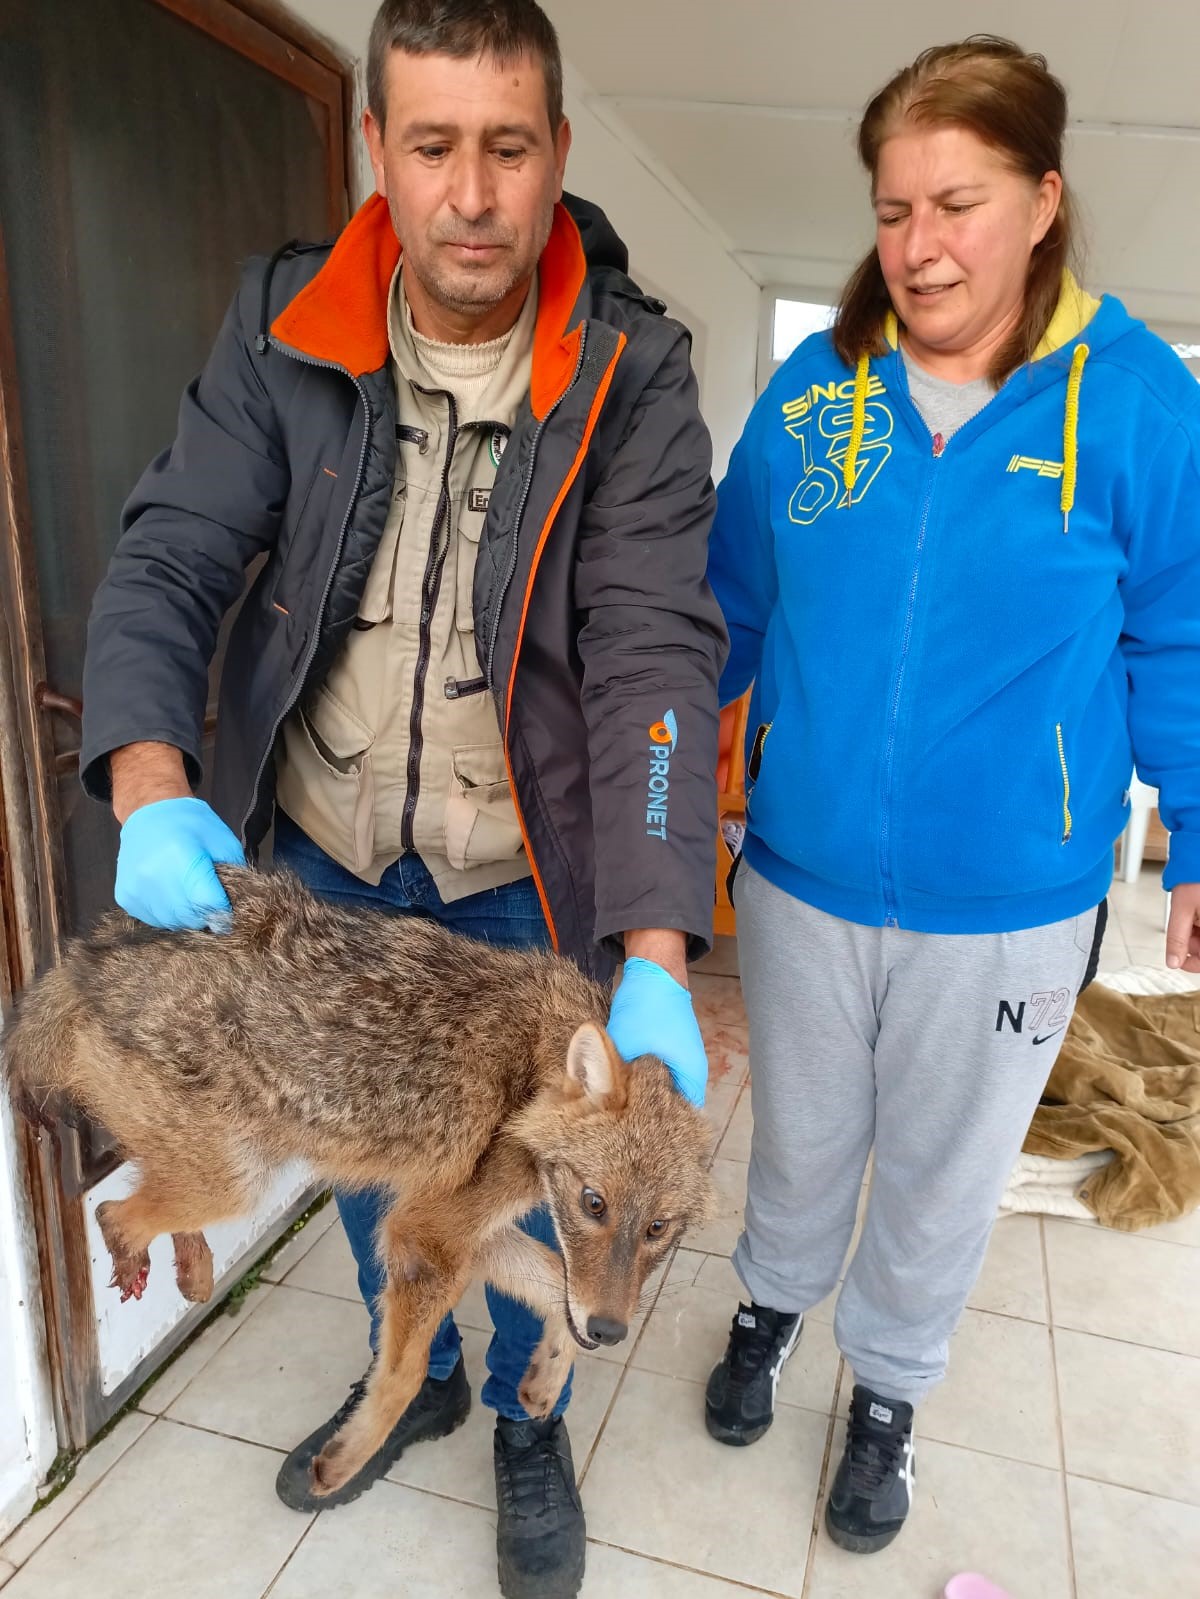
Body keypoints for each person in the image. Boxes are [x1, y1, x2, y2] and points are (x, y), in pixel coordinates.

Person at [80, 3, 726, 1594]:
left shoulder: (631, 369)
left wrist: (652, 945)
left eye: (509, 147)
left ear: (557, 151)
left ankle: (523, 1428)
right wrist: (153, 783)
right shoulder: (284, 321)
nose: (473, 195)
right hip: (320, 863)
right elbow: (170, 554)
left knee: (523, 1184)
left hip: (524, 890)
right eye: (433, 146)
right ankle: (424, 1376)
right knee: (390, 1174)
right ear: (379, 148)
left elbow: (651, 662)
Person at [703, 35, 1200, 1557]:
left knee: (941, 1170)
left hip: (1014, 900)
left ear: (1043, 200)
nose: (918, 245)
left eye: (958, 203)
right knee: (797, 1138)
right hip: (797, 870)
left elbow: (1180, 633)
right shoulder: (814, 392)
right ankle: (773, 1308)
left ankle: (890, 1391)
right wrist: (669, 801)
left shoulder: (1136, 405)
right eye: (892, 207)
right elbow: (721, 608)